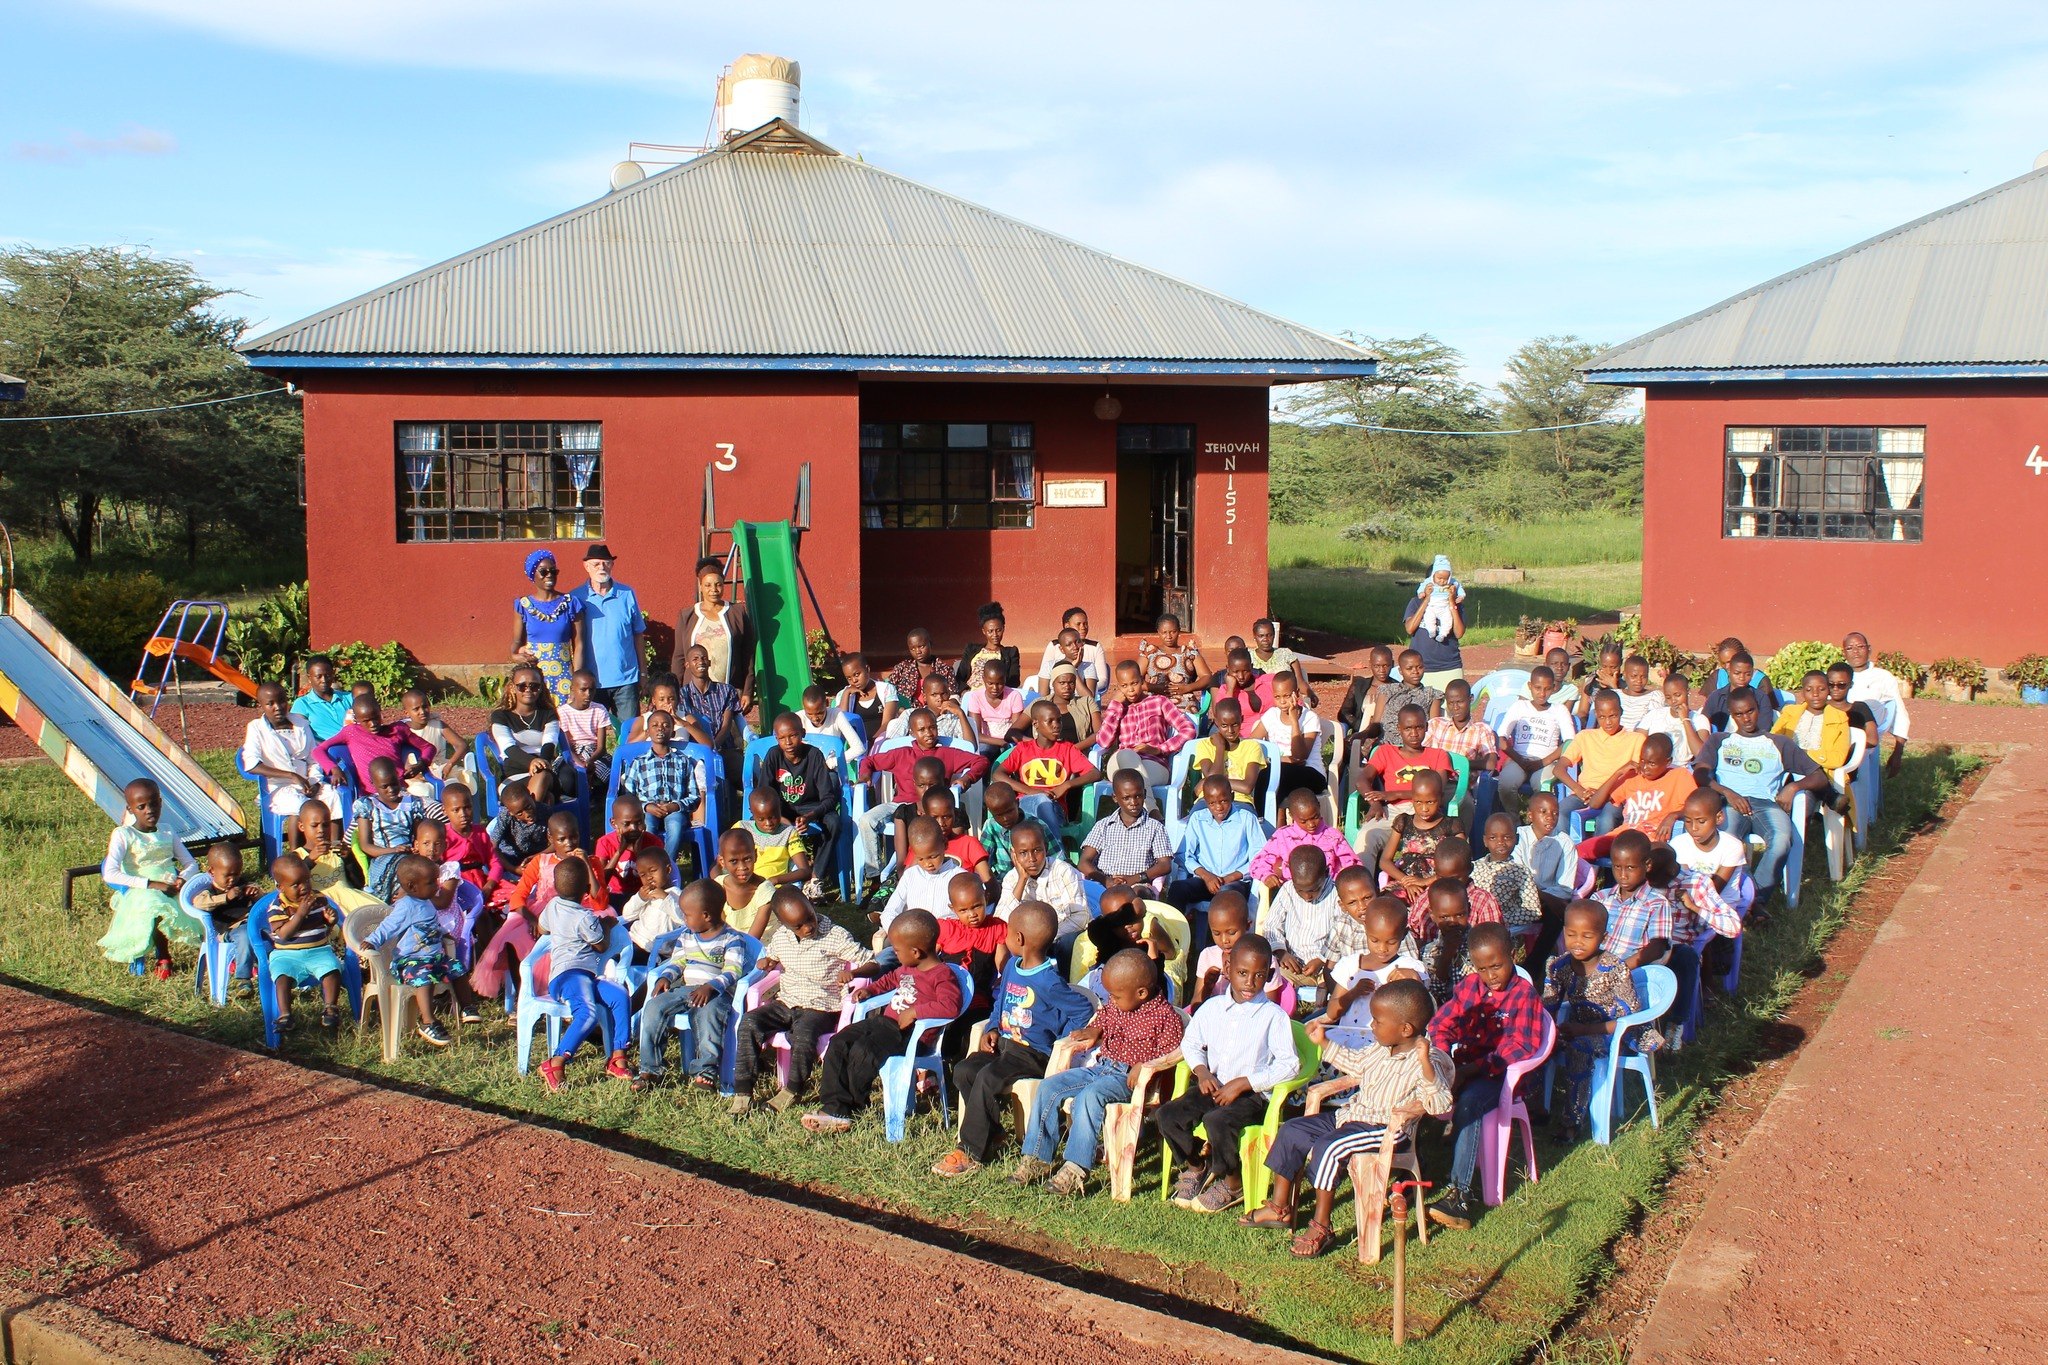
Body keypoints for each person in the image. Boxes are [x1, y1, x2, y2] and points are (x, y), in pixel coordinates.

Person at [1247, 979, 1454, 1256]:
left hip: (1386, 1130)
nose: (1372, 1026)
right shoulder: (1380, 1049)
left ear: (1405, 1029)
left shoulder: (1427, 1060)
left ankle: (1322, 1225)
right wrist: (1323, 1041)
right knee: (1293, 1130)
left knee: (1329, 1147)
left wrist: (1427, 1064)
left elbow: (1440, 1104)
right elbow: (1355, 1064)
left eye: (1378, 1021)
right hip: (1352, 1116)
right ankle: (1279, 1207)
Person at [934, 900, 1096, 1176]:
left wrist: (1059, 1035)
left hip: (1032, 1053)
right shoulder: (1012, 966)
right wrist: (993, 1028)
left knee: (987, 1078)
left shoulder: (1048, 980)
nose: (1005, 937)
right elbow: (1002, 1002)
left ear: (1018, 938)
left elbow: (1082, 1008)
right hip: (1005, 1046)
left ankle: (970, 1151)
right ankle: (994, 1133)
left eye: (1007, 932)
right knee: (964, 1071)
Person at [1014, 946, 1186, 1196]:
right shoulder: (1118, 1005)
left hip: (1128, 1080)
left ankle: (1075, 1167)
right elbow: (1104, 1016)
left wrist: (1147, 1064)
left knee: (1089, 1097)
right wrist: (1096, 1030)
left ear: (1141, 992)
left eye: (1115, 996)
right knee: (1049, 1086)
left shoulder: (1165, 1017)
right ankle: (1037, 1156)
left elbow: (1173, 1050)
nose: (1111, 1001)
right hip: (1102, 1068)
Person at [1158, 934, 1300, 1215]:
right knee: (1167, 1116)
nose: (1250, 982)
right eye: (1243, 973)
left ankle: (1233, 1183)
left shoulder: (1274, 1016)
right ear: (1228, 969)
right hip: (1214, 1084)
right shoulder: (1212, 1009)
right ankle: (1197, 1166)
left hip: (1251, 1097)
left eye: (1259, 975)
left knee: (1217, 1121)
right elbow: (1191, 1042)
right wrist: (1201, 1071)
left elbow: (1290, 1064)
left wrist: (1245, 1083)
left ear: (1269, 975)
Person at [1423, 922, 1547, 1230]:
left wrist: (1472, 1069)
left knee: (1470, 1101)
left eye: (1497, 966)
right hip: (1462, 1067)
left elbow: (1520, 1046)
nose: (1491, 976)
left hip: (1499, 1079)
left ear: (1513, 954)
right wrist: (1443, 1061)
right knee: (1421, 1088)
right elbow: (1441, 1024)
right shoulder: (1470, 987)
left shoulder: (1523, 995)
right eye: (1482, 969)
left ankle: (1460, 1195)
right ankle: (1411, 1169)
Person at [802, 909, 964, 1133]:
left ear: (916, 952)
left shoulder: (942, 975)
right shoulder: (908, 967)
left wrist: (916, 1012)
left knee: (863, 1052)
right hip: (886, 1025)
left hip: (910, 1035)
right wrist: (870, 990)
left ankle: (850, 1109)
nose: (895, 955)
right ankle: (833, 1107)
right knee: (840, 1042)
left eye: (897, 950)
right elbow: (889, 980)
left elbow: (951, 1005)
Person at [733, 887, 870, 1113]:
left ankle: (792, 1089)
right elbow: (772, 957)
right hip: (787, 1001)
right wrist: (768, 962)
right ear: (785, 924)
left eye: (810, 918)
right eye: (798, 925)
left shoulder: (835, 935)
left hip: (821, 1005)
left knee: (805, 1034)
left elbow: (870, 960)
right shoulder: (781, 937)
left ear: (811, 906)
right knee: (749, 1022)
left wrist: (854, 974)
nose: (808, 927)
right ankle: (743, 1091)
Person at [1542, 900, 1662, 1143]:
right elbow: (1549, 1005)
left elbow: (1628, 1020)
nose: (1577, 942)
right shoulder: (1559, 966)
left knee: (1579, 1048)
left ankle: (1571, 1123)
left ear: (1603, 936)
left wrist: (1583, 1030)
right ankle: (1536, 1107)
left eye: (1587, 936)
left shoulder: (1614, 968)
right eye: (1571, 934)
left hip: (1617, 1032)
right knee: (1540, 1042)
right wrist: (1551, 1030)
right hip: (1578, 1028)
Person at [1694, 688, 1829, 902]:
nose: (1746, 718)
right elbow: (1700, 774)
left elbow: (1819, 777)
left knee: (1783, 840)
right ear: (1731, 714)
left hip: (1767, 804)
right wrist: (1727, 792)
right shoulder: (1719, 740)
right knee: (1727, 842)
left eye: (1750, 711)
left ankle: (1754, 899)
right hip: (1730, 803)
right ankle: (1741, 900)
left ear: (1758, 709)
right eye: (1739, 714)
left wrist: (1793, 788)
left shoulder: (1779, 743)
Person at [633, 878, 747, 1091]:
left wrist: (711, 986)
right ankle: (650, 1068)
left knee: (708, 1016)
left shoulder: (732, 939)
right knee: (653, 1008)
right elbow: (678, 961)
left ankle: (706, 1069)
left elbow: (733, 971)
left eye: (686, 915)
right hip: (687, 989)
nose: (684, 920)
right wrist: (666, 976)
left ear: (706, 915)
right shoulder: (687, 935)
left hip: (715, 993)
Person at [358, 854, 481, 1047]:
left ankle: (467, 1007)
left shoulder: (426, 902)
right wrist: (372, 941)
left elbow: (429, 925)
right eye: (431, 883)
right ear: (413, 886)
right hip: (410, 961)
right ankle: (428, 1021)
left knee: (458, 969)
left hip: (434, 957)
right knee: (425, 978)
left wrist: (442, 933)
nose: (437, 886)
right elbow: (388, 926)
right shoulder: (406, 906)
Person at [535, 860, 633, 1092]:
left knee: (620, 996)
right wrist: (607, 925)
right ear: (586, 889)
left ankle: (617, 1057)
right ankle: (556, 1062)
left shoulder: (553, 906)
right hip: (569, 976)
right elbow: (601, 946)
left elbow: (542, 929)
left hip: (583, 977)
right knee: (587, 1014)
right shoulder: (584, 918)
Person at [96, 778, 199, 974]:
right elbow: (110, 873)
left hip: (171, 885)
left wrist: (182, 878)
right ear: (130, 809)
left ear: (160, 803)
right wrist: (150, 884)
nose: (149, 810)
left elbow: (191, 863)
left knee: (201, 902)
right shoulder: (124, 834)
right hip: (141, 889)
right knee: (153, 903)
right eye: (141, 807)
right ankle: (164, 955)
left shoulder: (167, 831)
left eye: (153, 804)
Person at [1165, 774, 1270, 935]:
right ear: (1205, 802)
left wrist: (1231, 877)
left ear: (1232, 796)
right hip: (1204, 880)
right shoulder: (1198, 819)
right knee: (1178, 888)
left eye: (1223, 801)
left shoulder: (1246, 819)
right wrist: (1206, 876)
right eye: (1212, 803)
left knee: (1225, 897)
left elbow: (1260, 858)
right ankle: (1173, 936)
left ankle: (1212, 948)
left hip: (1235, 883)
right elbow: (1183, 855)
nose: (1218, 807)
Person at [1353, 705, 1457, 866]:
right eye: (1408, 728)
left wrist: (1397, 794)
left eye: (1419, 727)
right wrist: (1374, 803)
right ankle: (1364, 886)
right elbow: (1361, 779)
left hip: (1426, 811)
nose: (1414, 734)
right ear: (1399, 728)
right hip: (1392, 812)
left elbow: (1438, 790)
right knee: (1367, 835)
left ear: (1427, 727)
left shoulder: (1438, 755)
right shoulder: (1385, 752)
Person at [756, 712, 843, 901]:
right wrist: (780, 818)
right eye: (782, 738)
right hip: (782, 810)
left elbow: (829, 798)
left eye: (793, 735)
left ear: (802, 733)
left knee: (834, 822)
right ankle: (781, 874)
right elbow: (764, 794)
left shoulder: (814, 755)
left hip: (812, 808)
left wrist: (811, 816)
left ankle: (815, 878)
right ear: (776, 738)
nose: (788, 742)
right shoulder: (773, 755)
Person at [1573, 732, 1697, 861]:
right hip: (1623, 837)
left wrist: (1674, 815)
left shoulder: (1680, 776)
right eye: (1642, 760)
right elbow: (1594, 803)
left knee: (1646, 861)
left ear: (1668, 762)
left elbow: (1695, 808)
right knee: (1577, 853)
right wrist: (1618, 772)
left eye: (1651, 764)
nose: (1644, 767)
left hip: (1652, 841)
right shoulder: (1632, 776)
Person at [241, 682, 345, 835]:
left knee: (333, 796)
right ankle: (298, 853)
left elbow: (313, 758)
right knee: (302, 806)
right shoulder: (256, 728)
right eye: (270, 704)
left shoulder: (301, 724)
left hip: (307, 782)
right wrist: (291, 776)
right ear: (261, 705)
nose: (278, 707)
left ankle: (335, 848)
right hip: (278, 787)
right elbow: (252, 764)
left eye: (282, 701)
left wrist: (314, 781)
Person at [996, 699, 1098, 846]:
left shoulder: (1067, 749)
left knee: (1044, 802)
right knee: (1039, 800)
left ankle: (1055, 854)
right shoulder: (1023, 749)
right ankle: (1059, 855)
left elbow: (1094, 773)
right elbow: (998, 774)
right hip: (1025, 806)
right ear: (1036, 724)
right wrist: (1031, 791)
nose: (1056, 725)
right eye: (1049, 721)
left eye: (1059, 720)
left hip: (1055, 809)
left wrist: (1067, 785)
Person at [264, 852, 345, 1033]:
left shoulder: (318, 899)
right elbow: (284, 934)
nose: (304, 887)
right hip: (287, 954)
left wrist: (331, 919)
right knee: (282, 978)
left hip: (318, 950)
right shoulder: (277, 906)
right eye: (295, 884)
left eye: (306, 881)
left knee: (332, 969)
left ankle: (330, 1008)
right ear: (281, 887)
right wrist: (300, 914)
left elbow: (327, 923)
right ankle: (285, 1015)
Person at [570, 542, 646, 723]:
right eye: (596, 564)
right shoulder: (576, 598)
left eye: (606, 563)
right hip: (591, 682)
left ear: (612, 565)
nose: (602, 567)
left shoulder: (627, 594)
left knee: (628, 734)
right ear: (586, 567)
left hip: (625, 680)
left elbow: (638, 635)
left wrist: (643, 673)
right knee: (593, 738)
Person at [619, 710, 701, 875]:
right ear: (648, 731)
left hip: (674, 810)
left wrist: (675, 806)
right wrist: (646, 806)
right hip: (647, 811)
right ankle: (645, 866)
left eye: (665, 725)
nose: (660, 729)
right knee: (647, 828)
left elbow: (694, 796)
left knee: (676, 827)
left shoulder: (683, 761)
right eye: (655, 725)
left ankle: (664, 868)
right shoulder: (639, 762)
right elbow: (628, 796)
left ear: (672, 731)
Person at [313, 692, 436, 799]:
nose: (373, 724)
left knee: (434, 811)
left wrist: (421, 764)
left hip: (398, 792)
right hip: (371, 796)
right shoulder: (351, 732)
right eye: (366, 721)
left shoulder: (398, 730)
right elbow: (318, 750)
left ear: (380, 712)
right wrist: (334, 769)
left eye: (376, 718)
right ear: (357, 719)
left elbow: (428, 747)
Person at [670, 556, 755, 709]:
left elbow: (747, 656)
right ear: (700, 586)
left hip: (730, 691)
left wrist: (747, 691)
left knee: (729, 732)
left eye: (718, 585)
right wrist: (675, 691)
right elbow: (679, 657)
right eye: (708, 585)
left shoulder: (737, 613)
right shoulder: (687, 615)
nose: (713, 590)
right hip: (693, 696)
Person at [1513, 790, 1585, 964]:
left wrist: (1544, 897)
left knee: (1559, 916)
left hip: (1549, 902)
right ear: (1530, 815)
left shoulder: (1564, 842)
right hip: (1519, 901)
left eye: (1555, 813)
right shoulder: (1517, 837)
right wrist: (1544, 896)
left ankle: (1534, 966)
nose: (1550, 817)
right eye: (1543, 812)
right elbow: (1518, 879)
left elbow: (1565, 887)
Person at [1495, 666, 1575, 819]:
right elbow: (1501, 738)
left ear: (1553, 688)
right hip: (1519, 760)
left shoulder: (1559, 710)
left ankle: (1538, 823)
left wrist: (1543, 762)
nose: (1542, 693)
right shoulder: (1519, 707)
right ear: (1530, 686)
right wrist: (1519, 760)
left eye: (1547, 689)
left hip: (1546, 762)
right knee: (1506, 783)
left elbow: (1570, 742)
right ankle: (1514, 820)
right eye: (1537, 688)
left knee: (1541, 785)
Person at [1079, 769, 1173, 896]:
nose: (1133, 802)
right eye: (1126, 798)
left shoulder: (1155, 827)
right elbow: (1084, 861)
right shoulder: (1103, 826)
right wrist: (1106, 880)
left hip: (1138, 883)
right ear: (1115, 798)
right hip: (1104, 882)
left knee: (1139, 893)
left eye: (1138, 796)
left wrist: (1135, 878)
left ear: (1144, 794)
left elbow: (1165, 864)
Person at [489, 666, 573, 804]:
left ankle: (528, 824)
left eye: (534, 686)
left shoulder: (549, 714)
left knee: (542, 777)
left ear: (541, 688)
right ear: (512, 688)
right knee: (548, 799)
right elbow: (508, 747)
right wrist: (531, 762)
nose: (528, 690)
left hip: (545, 773)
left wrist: (539, 764)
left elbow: (550, 743)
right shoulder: (501, 716)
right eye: (522, 686)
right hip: (513, 776)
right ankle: (538, 818)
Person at [187, 842, 260, 994]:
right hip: (228, 932)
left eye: (237, 874)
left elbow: (264, 902)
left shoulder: (242, 884)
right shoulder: (209, 891)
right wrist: (225, 897)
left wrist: (256, 894)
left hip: (252, 924)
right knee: (245, 935)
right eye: (227, 875)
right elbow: (198, 903)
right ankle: (243, 979)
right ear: (212, 871)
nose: (232, 879)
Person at [1772, 670, 1854, 806]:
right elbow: (1773, 740)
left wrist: (1805, 755)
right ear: (1802, 692)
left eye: (1821, 689)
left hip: (1818, 770)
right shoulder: (1789, 712)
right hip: (1787, 766)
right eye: (1809, 690)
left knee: (1805, 795)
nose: (1815, 694)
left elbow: (1838, 758)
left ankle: (1804, 821)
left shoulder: (1840, 718)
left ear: (1828, 690)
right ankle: (1830, 797)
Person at [1193, 890, 1289, 1004]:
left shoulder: (1264, 959)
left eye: (1232, 932)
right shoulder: (1208, 956)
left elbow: (1270, 1007)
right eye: (1216, 933)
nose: (1224, 940)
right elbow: (1195, 1008)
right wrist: (1207, 987)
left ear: (1248, 925)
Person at [1251, 787, 1358, 888]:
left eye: (1315, 817)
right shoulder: (1282, 836)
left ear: (1319, 807)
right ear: (1292, 815)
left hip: (1327, 889)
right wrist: (1267, 876)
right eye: (1303, 821)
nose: (1311, 824)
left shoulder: (1333, 836)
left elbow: (1352, 864)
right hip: (1292, 890)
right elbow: (1258, 863)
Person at [353, 757, 426, 902]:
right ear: (373, 784)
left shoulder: (412, 803)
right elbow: (365, 845)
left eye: (394, 783)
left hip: (410, 856)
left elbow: (419, 837)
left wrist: (416, 848)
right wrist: (394, 850)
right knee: (407, 874)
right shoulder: (367, 805)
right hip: (383, 859)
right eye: (384, 786)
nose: (391, 790)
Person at [511, 549, 578, 707]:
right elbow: (516, 641)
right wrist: (515, 655)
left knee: (564, 720)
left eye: (553, 571)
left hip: (564, 673)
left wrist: (576, 676)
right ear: (533, 574)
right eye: (543, 571)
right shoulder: (523, 605)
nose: (549, 575)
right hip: (535, 674)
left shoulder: (570, 603)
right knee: (538, 717)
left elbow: (579, 643)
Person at [879, 817, 966, 936]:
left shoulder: (960, 877)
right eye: (920, 858)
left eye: (933, 856)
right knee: (885, 954)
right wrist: (900, 935)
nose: (927, 864)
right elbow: (890, 911)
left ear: (945, 845)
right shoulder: (910, 875)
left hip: (949, 938)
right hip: (912, 938)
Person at [1842, 632, 1910, 777]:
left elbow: (1899, 713)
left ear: (1869, 649)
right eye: (1850, 648)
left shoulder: (1883, 677)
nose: (1855, 652)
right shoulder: (1836, 676)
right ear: (1843, 653)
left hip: (1869, 738)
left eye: (1860, 646)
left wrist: (1898, 751)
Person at [1471, 813, 1542, 948]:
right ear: (1485, 841)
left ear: (1516, 840)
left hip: (1506, 929)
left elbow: (1533, 910)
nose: (1500, 842)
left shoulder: (1520, 871)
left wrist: (1501, 919)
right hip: (1475, 926)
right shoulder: (1474, 868)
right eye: (1493, 837)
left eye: (1507, 837)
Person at [1188, 697, 1266, 809]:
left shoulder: (1252, 747)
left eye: (1235, 724)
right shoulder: (1205, 745)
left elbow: (1247, 787)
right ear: (1216, 722)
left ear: (1241, 719)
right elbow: (1212, 777)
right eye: (1224, 725)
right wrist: (1220, 747)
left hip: (1240, 800)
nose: (1230, 731)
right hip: (1208, 800)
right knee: (1198, 819)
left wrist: (1206, 782)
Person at [1403, 568, 1468, 691]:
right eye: (1437, 581)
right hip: (1421, 669)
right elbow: (1410, 629)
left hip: (1450, 666)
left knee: (1451, 706)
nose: (1441, 585)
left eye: (1445, 581)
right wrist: (1427, 600)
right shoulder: (1416, 602)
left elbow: (1459, 633)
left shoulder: (1457, 604)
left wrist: (1451, 602)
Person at [736, 786, 811, 890]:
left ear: (779, 809)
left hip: (776, 889)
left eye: (773, 817)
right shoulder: (741, 829)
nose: (768, 823)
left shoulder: (788, 833)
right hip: (746, 888)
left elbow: (805, 871)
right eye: (761, 819)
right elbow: (723, 860)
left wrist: (775, 880)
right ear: (752, 812)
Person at [620, 844, 685, 958]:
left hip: (655, 950)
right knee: (612, 960)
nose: (649, 877)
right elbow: (627, 915)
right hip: (634, 940)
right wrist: (640, 898)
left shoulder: (675, 894)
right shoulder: (645, 894)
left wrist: (666, 898)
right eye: (643, 875)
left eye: (653, 870)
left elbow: (683, 919)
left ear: (668, 869)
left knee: (621, 963)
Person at [1423, 679, 1498, 777]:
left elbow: (1490, 763)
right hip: (1432, 782)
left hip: (1460, 785)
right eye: (1450, 703)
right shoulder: (1436, 725)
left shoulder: (1481, 730)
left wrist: (1457, 764)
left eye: (1460, 702)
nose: (1455, 707)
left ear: (1470, 699)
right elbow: (1419, 753)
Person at [1138, 614, 1209, 715]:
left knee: (1186, 719)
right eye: (1164, 632)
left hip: (1184, 701)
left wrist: (1188, 688)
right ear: (1158, 632)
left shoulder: (1189, 652)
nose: (1169, 636)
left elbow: (1207, 677)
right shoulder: (1150, 652)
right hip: (1156, 700)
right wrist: (1155, 688)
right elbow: (1135, 679)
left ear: (1179, 630)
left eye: (1173, 632)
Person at [1634, 671, 1709, 765]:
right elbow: (1636, 745)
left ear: (1687, 691)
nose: (1673, 701)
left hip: (1681, 770)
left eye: (1677, 695)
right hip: (1654, 769)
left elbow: (1701, 754)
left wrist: (1685, 720)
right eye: (1668, 697)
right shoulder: (1654, 715)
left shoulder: (1699, 719)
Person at [555, 670, 613, 794]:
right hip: (572, 754)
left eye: (592, 690)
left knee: (611, 774)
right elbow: (566, 746)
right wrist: (580, 763)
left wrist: (589, 761)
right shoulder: (563, 712)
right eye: (583, 689)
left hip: (594, 753)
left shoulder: (599, 709)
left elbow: (601, 747)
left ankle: (597, 800)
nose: (588, 694)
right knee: (566, 779)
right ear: (572, 689)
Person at [591, 794, 651, 908]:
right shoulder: (605, 843)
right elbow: (601, 883)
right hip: (615, 895)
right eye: (626, 824)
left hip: (644, 894)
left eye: (638, 822)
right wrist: (619, 851)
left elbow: (654, 880)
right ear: (614, 823)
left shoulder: (652, 842)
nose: (633, 828)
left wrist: (638, 853)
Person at [714, 828, 775, 937]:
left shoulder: (765, 891)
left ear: (755, 856)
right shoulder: (718, 887)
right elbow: (720, 929)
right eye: (734, 861)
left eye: (747, 859)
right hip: (731, 943)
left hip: (761, 945)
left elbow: (753, 941)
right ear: (722, 862)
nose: (742, 867)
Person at [962, 658, 1028, 757]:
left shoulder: (1014, 696)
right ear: (984, 679)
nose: (995, 688)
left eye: (999, 684)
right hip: (987, 742)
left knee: (1013, 756)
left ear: (1005, 679)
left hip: (1010, 741)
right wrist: (1001, 743)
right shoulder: (976, 697)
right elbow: (976, 734)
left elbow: (1015, 730)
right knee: (983, 755)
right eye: (990, 683)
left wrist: (1006, 744)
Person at [1034, 607, 1110, 693]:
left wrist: (1083, 684)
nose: (1083, 627)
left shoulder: (1095, 647)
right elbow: (1045, 675)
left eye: (1085, 624)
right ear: (1067, 626)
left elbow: (1102, 680)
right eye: (1078, 624)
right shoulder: (1054, 646)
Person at [1701, 652, 1779, 732]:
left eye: (1748, 674)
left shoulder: (1761, 697)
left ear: (1752, 673)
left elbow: (1764, 727)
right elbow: (1703, 724)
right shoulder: (1716, 697)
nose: (1742, 678)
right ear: (1729, 671)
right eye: (1737, 673)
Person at [955, 601, 1023, 690]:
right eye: (990, 631)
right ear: (984, 631)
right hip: (970, 695)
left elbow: (1013, 681)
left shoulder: (1011, 653)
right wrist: (964, 692)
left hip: (997, 696)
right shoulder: (971, 650)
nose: (995, 634)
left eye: (998, 630)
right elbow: (960, 678)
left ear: (1003, 628)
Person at [835, 652, 900, 743]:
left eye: (857, 674)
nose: (854, 680)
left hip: (883, 742)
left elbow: (888, 722)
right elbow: (841, 723)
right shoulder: (843, 695)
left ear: (867, 669)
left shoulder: (886, 689)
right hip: (855, 746)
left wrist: (873, 743)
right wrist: (847, 693)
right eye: (849, 678)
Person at [798, 684, 867, 765]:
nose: (815, 718)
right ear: (804, 707)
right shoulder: (798, 719)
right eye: (809, 714)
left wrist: (832, 762)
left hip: (829, 769)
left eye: (820, 713)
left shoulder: (836, 715)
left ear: (827, 703)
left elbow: (859, 747)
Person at [886, 628, 954, 706]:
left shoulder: (944, 669)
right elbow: (888, 691)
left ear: (930, 644)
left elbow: (953, 695)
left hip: (936, 713)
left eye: (921, 646)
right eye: (912, 649)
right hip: (905, 713)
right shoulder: (902, 668)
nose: (918, 652)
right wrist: (898, 709)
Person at [291, 655, 350, 741]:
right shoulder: (302, 704)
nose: (324, 680)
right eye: (318, 676)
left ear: (333, 674)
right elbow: (299, 734)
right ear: (309, 678)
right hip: (325, 751)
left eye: (328, 675)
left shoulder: (349, 698)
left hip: (356, 747)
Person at [1248, 618, 1312, 697]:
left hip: (1285, 701)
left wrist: (1311, 695)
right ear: (1254, 636)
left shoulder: (1286, 654)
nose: (1265, 639)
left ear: (1274, 635)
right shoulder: (1248, 657)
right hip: (1259, 702)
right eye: (1261, 636)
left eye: (1269, 635)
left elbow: (1299, 681)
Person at [1212, 649, 1275, 724]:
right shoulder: (1225, 690)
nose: (1241, 676)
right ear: (1228, 669)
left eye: (1245, 671)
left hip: (1274, 732)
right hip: (1243, 734)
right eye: (1235, 672)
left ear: (1251, 667)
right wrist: (1230, 690)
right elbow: (1221, 718)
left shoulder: (1269, 681)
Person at [1046, 663, 1101, 746]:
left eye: (1071, 683)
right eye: (1062, 683)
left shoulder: (1087, 702)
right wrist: (1033, 746)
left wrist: (1073, 750)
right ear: (1053, 684)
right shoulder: (1040, 704)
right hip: (1044, 756)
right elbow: (1018, 730)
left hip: (1076, 755)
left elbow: (1100, 733)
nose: (1067, 687)